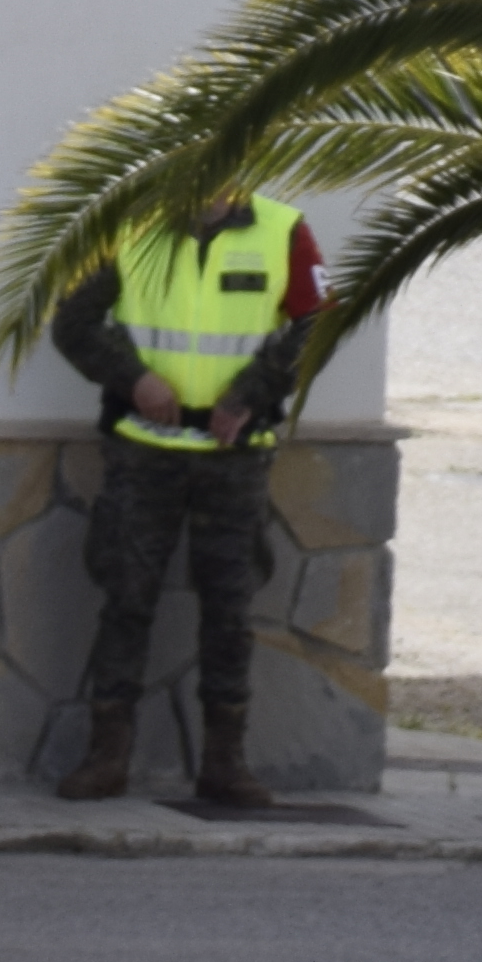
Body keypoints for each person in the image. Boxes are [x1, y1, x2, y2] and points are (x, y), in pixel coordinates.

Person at [53, 182, 324, 808]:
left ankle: (225, 764)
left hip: (235, 455)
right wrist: (134, 378)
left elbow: (319, 322)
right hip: (143, 448)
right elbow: (71, 321)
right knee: (126, 597)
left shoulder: (284, 230)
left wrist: (250, 393)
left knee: (229, 607)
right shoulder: (130, 228)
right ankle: (106, 758)